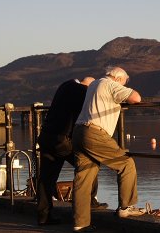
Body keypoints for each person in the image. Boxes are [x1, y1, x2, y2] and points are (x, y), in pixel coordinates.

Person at [71, 66, 144, 233]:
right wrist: (124, 91)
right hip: (94, 133)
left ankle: (80, 224)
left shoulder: (95, 84)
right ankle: (126, 207)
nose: (124, 86)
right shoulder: (111, 84)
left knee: (84, 176)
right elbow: (136, 98)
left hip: (79, 131)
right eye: (124, 83)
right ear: (118, 79)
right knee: (126, 164)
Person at [37, 77, 108, 226]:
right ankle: (90, 201)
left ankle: (44, 216)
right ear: (89, 86)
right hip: (62, 139)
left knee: (46, 178)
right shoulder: (82, 92)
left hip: (46, 136)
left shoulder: (65, 85)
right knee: (89, 165)